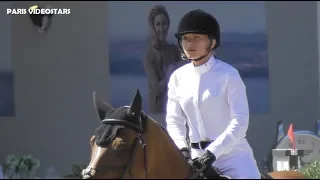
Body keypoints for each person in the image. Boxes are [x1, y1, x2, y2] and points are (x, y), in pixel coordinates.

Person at [165, 9, 261, 179]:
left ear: (212, 42)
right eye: (185, 38)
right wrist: (182, 150)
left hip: (233, 157)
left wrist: (212, 152)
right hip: (194, 159)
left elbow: (240, 120)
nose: (190, 44)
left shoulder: (229, 75)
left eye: (197, 38)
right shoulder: (177, 78)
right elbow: (174, 120)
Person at [144, 5, 182, 126]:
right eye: (158, 24)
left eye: (164, 24)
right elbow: (157, 88)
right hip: (158, 113)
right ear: (153, 27)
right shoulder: (149, 54)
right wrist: (170, 71)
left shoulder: (174, 50)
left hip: (175, 111)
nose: (162, 28)